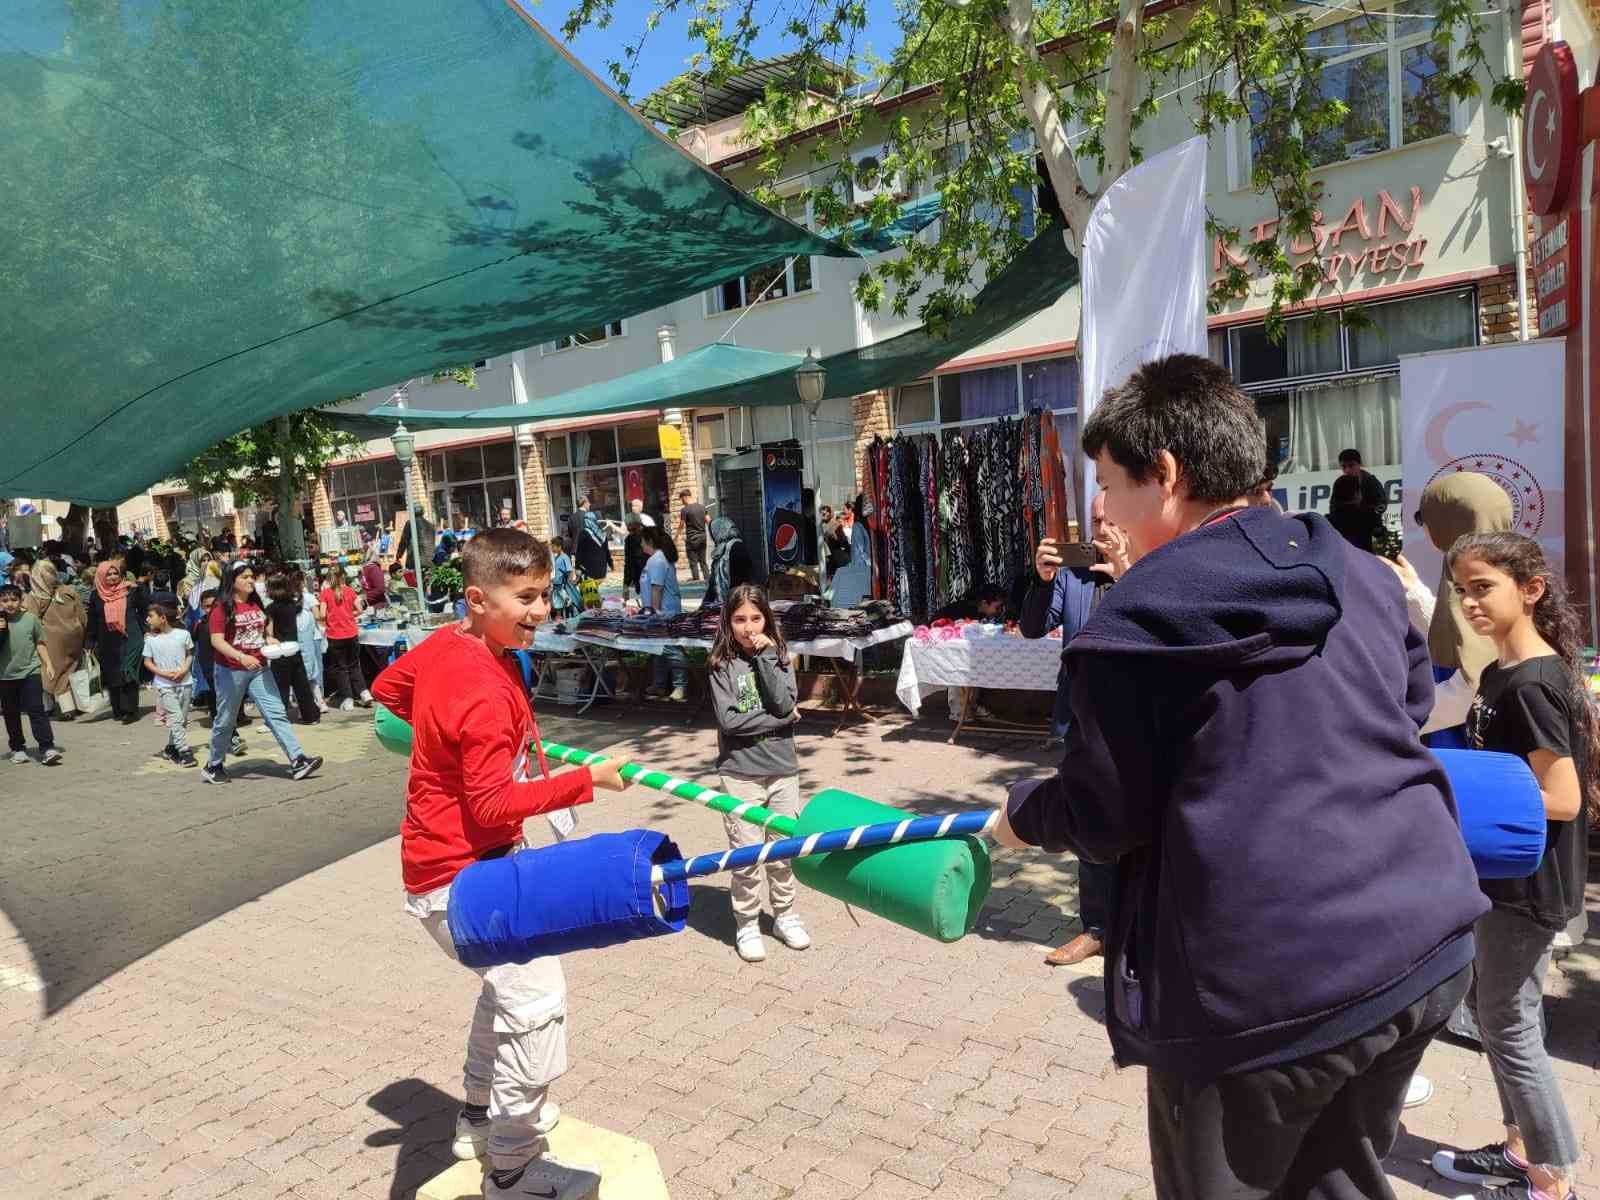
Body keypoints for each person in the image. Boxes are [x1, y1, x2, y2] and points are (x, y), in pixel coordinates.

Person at [993, 354, 1487, 1198]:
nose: (1103, 510)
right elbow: (1408, 700)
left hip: (1268, 992)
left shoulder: (1137, 620)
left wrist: (1021, 817)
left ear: (1169, 476)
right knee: (1336, 1180)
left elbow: (1102, 816)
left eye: (1111, 485)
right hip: (1429, 942)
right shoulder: (1359, 569)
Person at [370, 529, 628, 1199]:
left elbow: (386, 686)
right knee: (537, 1001)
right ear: (478, 599)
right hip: (461, 878)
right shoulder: (478, 689)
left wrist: (439, 737)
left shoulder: (450, 641)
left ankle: (481, 1117)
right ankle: (511, 1171)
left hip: (479, 862)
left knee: (509, 992)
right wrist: (586, 781)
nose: (542, 611)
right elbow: (490, 803)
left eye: (545, 594)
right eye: (526, 598)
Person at [1428, 532, 1591, 1200]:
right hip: (1498, 877)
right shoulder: (1501, 674)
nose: (1469, 602)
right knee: (1494, 1010)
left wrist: (1452, 793)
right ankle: (1521, 1151)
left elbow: (1563, 797)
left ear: (1531, 589)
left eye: (1483, 587)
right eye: (1461, 589)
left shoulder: (1532, 686)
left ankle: (1551, 1181)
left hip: (1529, 887)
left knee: (1510, 1023)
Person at [1025, 490, 1127, 968]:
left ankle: (1140, 928)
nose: (1100, 530)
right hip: (1082, 718)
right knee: (1088, 820)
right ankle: (1097, 928)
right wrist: (1044, 580)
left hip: (1136, 720)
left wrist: (1127, 576)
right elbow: (1032, 627)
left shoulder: (1151, 566)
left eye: (1109, 519)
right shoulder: (1073, 575)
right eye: (1094, 520)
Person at [708, 584, 809, 963]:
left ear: (766, 618)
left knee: (783, 852)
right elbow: (730, 722)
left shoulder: (778, 655)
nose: (749, 627)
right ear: (728, 622)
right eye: (739, 619)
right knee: (746, 856)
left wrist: (768, 656)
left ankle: (785, 915)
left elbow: (785, 699)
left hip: (782, 769)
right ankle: (747, 922)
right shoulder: (720, 664)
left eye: (755, 617)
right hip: (741, 772)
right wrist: (782, 719)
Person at [204, 560, 322, 785]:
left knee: (276, 712)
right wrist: (240, 656)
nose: (251, 580)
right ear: (232, 581)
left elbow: (262, 629)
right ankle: (214, 764)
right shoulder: (222, 607)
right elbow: (216, 641)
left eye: (251, 576)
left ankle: (298, 760)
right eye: (245, 577)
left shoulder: (255, 603)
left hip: (259, 667)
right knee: (226, 719)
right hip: (231, 670)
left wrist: (269, 639)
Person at [0, 583, 62, 765]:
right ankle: (18, 748)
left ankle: (47, 747)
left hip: (30, 671)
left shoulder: (30, 619)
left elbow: (40, 643)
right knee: (11, 714)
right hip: (5, 676)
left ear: (21, 600)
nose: (10, 604)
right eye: (5, 600)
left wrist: (48, 663)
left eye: (14, 599)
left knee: (36, 709)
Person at [936, 584, 1009, 722]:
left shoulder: (978, 613)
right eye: (997, 607)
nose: (999, 611)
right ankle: (958, 710)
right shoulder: (965, 610)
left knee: (975, 664)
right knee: (961, 666)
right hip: (941, 642)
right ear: (984, 603)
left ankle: (970, 705)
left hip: (957, 645)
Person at [25, 558, 86, 722]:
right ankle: (71, 706)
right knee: (69, 670)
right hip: (74, 636)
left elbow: (30, 623)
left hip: (50, 640)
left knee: (51, 672)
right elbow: (82, 616)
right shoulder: (68, 590)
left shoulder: (34, 597)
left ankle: (59, 708)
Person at [87, 559, 148, 724]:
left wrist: (144, 629)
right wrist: (90, 642)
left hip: (131, 637)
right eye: (108, 574)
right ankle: (118, 709)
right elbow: (92, 620)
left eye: (115, 573)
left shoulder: (131, 590)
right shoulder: (96, 595)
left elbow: (144, 610)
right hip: (107, 641)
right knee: (113, 674)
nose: (113, 577)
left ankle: (131, 711)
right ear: (101, 577)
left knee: (128, 671)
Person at [142, 602, 197, 767]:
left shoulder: (183, 634)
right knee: (176, 717)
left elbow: (189, 654)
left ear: (163, 618)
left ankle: (171, 747)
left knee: (182, 719)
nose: (147, 619)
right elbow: (147, 662)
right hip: (164, 685)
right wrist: (164, 674)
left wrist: (184, 669)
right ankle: (184, 751)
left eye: (151, 616)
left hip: (185, 682)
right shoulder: (151, 640)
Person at [266, 570, 319, 725]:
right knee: (301, 684)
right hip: (295, 649)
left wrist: (267, 637)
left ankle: (277, 719)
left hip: (280, 651)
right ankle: (311, 715)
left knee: (280, 687)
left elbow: (270, 632)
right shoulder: (293, 605)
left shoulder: (271, 608)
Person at [640, 527, 687, 701]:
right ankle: (659, 684)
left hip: (664, 612)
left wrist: (654, 612)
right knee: (658, 649)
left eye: (642, 541)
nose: (641, 544)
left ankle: (680, 686)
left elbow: (657, 589)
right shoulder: (657, 559)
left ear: (649, 541)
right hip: (663, 611)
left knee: (671, 648)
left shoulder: (657, 560)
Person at [320, 565, 371, 711]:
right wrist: (350, 616)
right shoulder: (350, 591)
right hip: (352, 633)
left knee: (341, 668)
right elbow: (360, 609)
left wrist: (330, 619)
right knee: (354, 665)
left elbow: (323, 614)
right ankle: (364, 692)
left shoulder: (325, 593)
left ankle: (348, 698)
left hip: (335, 636)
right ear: (343, 576)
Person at [827, 502, 872, 608]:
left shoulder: (858, 526)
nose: (843, 511)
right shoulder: (860, 525)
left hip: (860, 565)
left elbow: (858, 550)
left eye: (845, 509)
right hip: (862, 565)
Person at [298, 570, 328, 713]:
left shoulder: (291, 598)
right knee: (317, 668)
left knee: (305, 669)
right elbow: (318, 616)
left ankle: (311, 699)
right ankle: (320, 698)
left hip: (300, 637)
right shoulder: (309, 597)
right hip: (314, 636)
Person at [706, 518, 754, 607]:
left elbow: (742, 578)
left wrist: (733, 602)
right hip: (722, 603)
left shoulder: (737, 547)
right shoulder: (720, 551)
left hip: (737, 601)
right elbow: (713, 584)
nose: (712, 536)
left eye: (712, 532)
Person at [1328, 473, 1380, 553]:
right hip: (1364, 562)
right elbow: (1380, 536)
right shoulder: (1369, 516)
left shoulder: (1327, 522)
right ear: (1357, 494)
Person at [1338, 448, 1389, 518]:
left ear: (1359, 464)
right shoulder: (1339, 483)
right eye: (1343, 467)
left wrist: (1370, 512)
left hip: (1369, 522)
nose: (1347, 470)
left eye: (1351, 465)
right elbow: (1333, 506)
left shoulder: (1370, 480)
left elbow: (1382, 504)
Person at [573, 496, 612, 583]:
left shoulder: (573, 518)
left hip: (583, 558)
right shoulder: (599, 531)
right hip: (597, 562)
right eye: (588, 503)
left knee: (587, 584)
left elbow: (571, 534)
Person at [677, 489, 709, 582]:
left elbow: (681, 525)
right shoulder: (702, 507)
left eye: (682, 500)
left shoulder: (685, 510)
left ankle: (696, 580)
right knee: (703, 561)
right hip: (703, 537)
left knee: (693, 561)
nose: (682, 502)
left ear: (685, 497)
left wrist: (676, 537)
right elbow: (709, 520)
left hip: (692, 539)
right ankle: (707, 580)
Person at [549, 537, 580, 620]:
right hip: (557, 584)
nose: (552, 548)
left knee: (566, 602)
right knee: (557, 603)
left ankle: (568, 617)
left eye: (553, 546)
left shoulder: (564, 557)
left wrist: (569, 583)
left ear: (559, 547)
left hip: (563, 584)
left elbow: (569, 570)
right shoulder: (557, 557)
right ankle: (560, 619)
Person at [620, 517, 646, 602]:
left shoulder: (631, 539)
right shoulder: (630, 539)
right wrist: (626, 584)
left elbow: (628, 562)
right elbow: (628, 562)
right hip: (641, 573)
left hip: (641, 572)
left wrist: (626, 584)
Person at [360, 540, 388, 609]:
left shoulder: (373, 568)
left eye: (361, 552)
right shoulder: (364, 567)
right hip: (368, 606)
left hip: (378, 606)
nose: (359, 555)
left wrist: (364, 597)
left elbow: (380, 589)